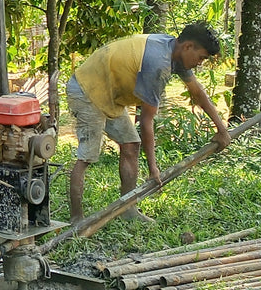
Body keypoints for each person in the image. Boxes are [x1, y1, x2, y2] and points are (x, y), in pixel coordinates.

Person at [67, 21, 230, 223]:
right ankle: (76, 219)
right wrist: (153, 168)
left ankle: (128, 209)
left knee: (130, 145)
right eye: (201, 57)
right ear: (188, 46)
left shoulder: (174, 51)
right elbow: (146, 121)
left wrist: (222, 129)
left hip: (109, 94)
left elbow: (197, 92)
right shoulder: (158, 65)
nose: (200, 63)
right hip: (86, 90)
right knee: (88, 155)